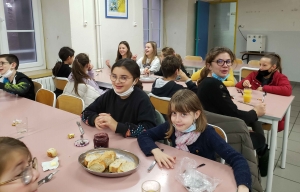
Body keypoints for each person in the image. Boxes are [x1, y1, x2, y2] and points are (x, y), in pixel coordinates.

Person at [138, 90, 251, 192]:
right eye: (174, 113)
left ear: (196, 114)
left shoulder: (208, 133)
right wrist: (156, 151)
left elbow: (237, 159)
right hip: (176, 178)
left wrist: (243, 187)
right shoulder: (171, 126)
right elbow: (144, 136)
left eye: (184, 114)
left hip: (202, 183)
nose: (177, 119)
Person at [197, 47, 269, 177]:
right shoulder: (214, 85)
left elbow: (226, 110)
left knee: (254, 121)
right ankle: (262, 169)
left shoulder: (205, 82)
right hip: (220, 134)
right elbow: (235, 116)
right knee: (259, 136)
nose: (225, 66)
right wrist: (255, 112)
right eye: (220, 62)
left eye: (228, 62)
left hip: (212, 129)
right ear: (209, 65)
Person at [81, 58, 156, 138]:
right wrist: (95, 119)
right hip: (114, 140)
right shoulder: (110, 94)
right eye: (114, 76)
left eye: (123, 78)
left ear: (135, 80)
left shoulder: (142, 99)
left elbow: (149, 129)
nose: (117, 82)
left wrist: (118, 126)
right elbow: (85, 113)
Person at [236, 53, 292, 132]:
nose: (260, 68)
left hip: (269, 110)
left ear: (273, 67)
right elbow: (238, 85)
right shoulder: (254, 74)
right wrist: (243, 83)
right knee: (241, 118)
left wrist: (265, 88)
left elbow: (287, 90)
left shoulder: (280, 77)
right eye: (260, 65)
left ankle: (258, 140)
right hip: (252, 107)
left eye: (264, 65)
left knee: (254, 120)